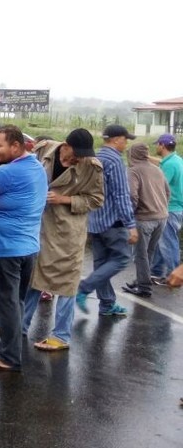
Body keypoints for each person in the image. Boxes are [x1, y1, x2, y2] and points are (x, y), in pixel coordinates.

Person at [22, 129, 104, 352]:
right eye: (77, 152)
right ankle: (20, 326)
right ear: (65, 145)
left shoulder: (92, 166)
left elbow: (96, 199)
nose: (79, 158)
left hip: (68, 231)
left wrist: (65, 199)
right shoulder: (44, 151)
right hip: (37, 225)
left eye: (83, 154)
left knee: (67, 283)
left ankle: (61, 335)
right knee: (32, 278)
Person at [0, 125, 48, 372]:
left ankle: (8, 357)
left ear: (16, 146)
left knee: (5, 302)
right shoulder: (36, 167)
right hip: (29, 247)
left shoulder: (5, 173)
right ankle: (9, 347)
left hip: (6, 248)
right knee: (16, 301)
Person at [76, 124, 138, 317]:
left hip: (94, 220)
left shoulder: (95, 158)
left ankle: (107, 304)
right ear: (116, 139)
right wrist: (131, 224)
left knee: (101, 264)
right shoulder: (115, 160)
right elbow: (121, 194)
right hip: (113, 222)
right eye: (125, 139)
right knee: (122, 259)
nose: (126, 143)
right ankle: (84, 287)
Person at [123, 143, 170, 297]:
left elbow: (131, 195)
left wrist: (130, 216)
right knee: (149, 252)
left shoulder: (134, 171)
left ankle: (144, 288)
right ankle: (141, 279)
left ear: (132, 155)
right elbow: (167, 192)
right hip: (161, 217)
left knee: (140, 254)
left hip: (144, 219)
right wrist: (161, 208)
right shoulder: (157, 169)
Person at [151, 134, 183, 283]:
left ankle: (174, 274)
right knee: (160, 241)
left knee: (168, 243)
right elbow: (161, 162)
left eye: (157, 144)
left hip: (170, 209)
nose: (156, 146)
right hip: (176, 208)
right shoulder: (176, 160)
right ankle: (156, 272)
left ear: (162, 145)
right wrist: (147, 158)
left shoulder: (169, 165)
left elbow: (160, 187)